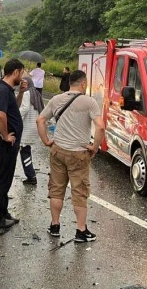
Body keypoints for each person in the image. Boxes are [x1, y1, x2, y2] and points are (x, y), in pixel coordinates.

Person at [37, 70, 105, 243]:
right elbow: (101, 127)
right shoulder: (89, 102)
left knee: (56, 189)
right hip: (79, 154)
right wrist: (95, 147)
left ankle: (54, 226)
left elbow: (40, 120)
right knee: (79, 192)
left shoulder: (56, 100)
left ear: (69, 83)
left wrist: (46, 140)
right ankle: (81, 231)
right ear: (83, 84)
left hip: (58, 150)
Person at [0, 59, 27, 228]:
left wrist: (21, 93)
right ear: (16, 72)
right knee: (2, 180)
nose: (23, 76)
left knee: (5, 178)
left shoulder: (7, 89)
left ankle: (3, 212)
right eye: (22, 73)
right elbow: (1, 115)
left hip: (6, 142)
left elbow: (13, 110)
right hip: (4, 143)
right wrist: (5, 136)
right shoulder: (2, 90)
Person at [18, 77, 43, 185]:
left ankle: (31, 176)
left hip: (27, 127)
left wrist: (14, 116)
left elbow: (24, 108)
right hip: (34, 126)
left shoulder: (27, 93)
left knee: (24, 151)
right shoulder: (36, 93)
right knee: (26, 150)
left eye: (24, 83)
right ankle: (30, 175)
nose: (22, 85)